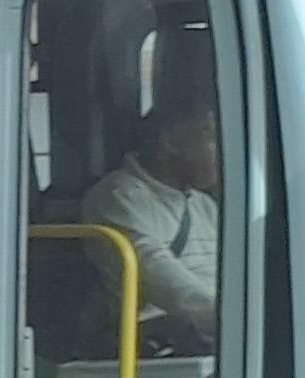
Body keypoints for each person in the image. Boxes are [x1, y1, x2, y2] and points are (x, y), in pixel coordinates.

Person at [83, 103, 222, 351]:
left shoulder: (203, 204)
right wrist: (235, 318)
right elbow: (165, 282)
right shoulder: (119, 197)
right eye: (211, 136)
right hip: (161, 340)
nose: (223, 149)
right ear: (173, 142)